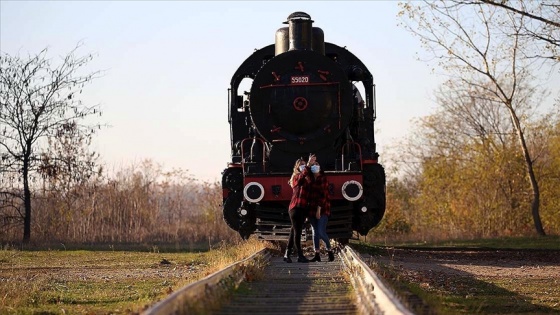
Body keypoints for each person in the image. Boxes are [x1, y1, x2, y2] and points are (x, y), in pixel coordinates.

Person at [284, 155, 316, 263]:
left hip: (302, 208)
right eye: (301, 165)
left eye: (304, 164)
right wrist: (308, 165)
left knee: (294, 231)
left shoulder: (306, 178)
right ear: (297, 167)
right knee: (297, 232)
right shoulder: (296, 177)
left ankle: (286, 254)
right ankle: (300, 255)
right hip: (295, 208)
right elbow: (301, 178)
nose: (303, 166)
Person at [308, 160, 334, 262]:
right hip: (311, 209)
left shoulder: (323, 179)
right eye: (313, 165)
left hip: (322, 209)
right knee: (315, 232)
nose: (314, 166)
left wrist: (318, 209)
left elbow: (323, 195)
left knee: (321, 231)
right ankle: (317, 254)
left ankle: (329, 250)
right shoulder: (309, 179)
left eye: (316, 164)